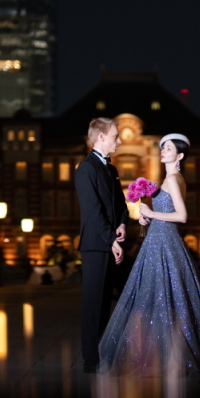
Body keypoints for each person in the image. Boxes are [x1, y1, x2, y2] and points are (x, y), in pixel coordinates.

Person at [98, 134, 200, 376]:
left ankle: (171, 355)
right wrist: (147, 215)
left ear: (180, 155)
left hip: (165, 242)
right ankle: (167, 353)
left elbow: (182, 216)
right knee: (165, 298)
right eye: (163, 147)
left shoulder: (174, 179)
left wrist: (151, 215)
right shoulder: (169, 179)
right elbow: (168, 212)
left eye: (169, 148)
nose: (163, 150)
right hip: (158, 240)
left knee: (163, 298)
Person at [75, 118, 129, 373]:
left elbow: (119, 205)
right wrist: (110, 240)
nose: (120, 140)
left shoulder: (112, 170)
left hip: (111, 241)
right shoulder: (85, 169)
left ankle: (102, 350)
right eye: (116, 136)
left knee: (106, 300)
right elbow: (93, 211)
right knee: (93, 302)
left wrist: (122, 224)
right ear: (101, 137)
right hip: (96, 245)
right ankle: (90, 359)